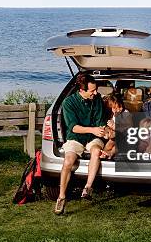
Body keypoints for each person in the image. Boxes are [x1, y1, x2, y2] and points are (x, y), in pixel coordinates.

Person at [54, 73, 106, 215]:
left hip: (93, 138)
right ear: (81, 90)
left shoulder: (98, 100)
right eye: (92, 91)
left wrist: (104, 132)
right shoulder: (68, 102)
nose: (95, 93)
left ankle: (88, 188)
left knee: (95, 151)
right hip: (75, 137)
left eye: (96, 90)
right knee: (68, 161)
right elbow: (73, 127)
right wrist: (93, 130)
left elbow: (100, 123)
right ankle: (61, 197)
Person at [100, 93, 127, 159]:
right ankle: (104, 152)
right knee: (111, 141)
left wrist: (114, 126)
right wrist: (108, 130)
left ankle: (111, 153)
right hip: (114, 136)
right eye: (115, 108)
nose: (118, 110)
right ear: (110, 108)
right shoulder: (111, 116)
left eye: (120, 107)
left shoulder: (125, 113)